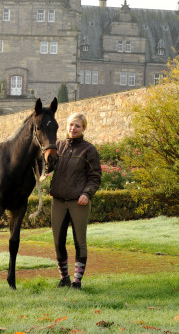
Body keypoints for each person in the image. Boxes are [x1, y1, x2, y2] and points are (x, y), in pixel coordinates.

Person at [49, 112, 102, 290]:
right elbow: (47, 166)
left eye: (77, 126)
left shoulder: (89, 150)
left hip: (78, 202)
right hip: (58, 201)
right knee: (58, 242)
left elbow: (95, 176)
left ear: (83, 128)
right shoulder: (58, 146)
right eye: (71, 125)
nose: (73, 129)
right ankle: (64, 278)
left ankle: (77, 282)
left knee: (79, 241)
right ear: (67, 126)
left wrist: (87, 193)